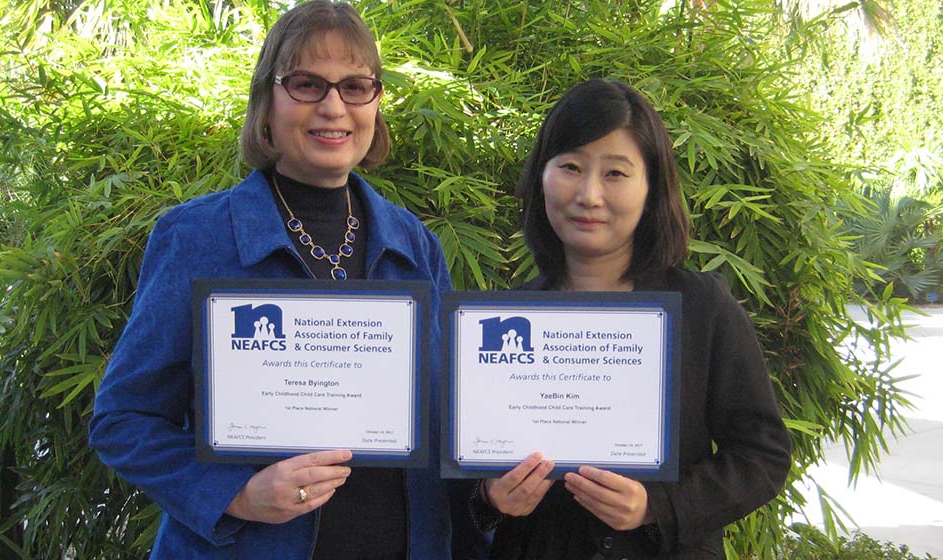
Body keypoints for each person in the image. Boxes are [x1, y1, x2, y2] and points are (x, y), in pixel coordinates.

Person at [88, 2, 461, 557]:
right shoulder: (197, 238)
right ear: (267, 100)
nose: (334, 107)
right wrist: (234, 493)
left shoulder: (415, 245)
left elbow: (452, 424)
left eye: (356, 86)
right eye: (307, 84)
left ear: (376, 104)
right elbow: (123, 419)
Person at [471, 79, 793, 559]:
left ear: (651, 187)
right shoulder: (504, 319)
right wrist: (491, 497)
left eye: (616, 173)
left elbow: (762, 456)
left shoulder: (704, 309)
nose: (589, 195)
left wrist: (658, 505)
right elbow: (469, 465)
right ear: (542, 177)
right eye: (571, 167)